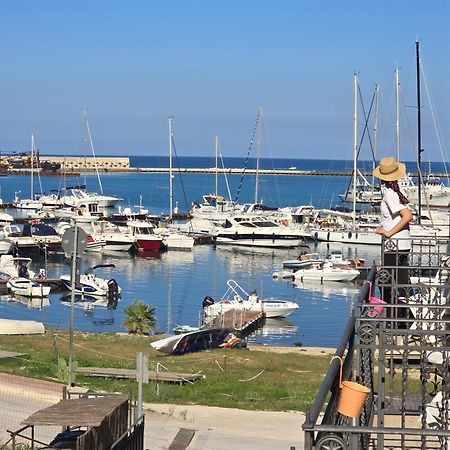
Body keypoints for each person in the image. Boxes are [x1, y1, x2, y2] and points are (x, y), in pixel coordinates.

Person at [373, 156, 413, 324]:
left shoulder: (390, 193)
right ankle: (405, 321)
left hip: (393, 245)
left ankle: (401, 319)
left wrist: (388, 232)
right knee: (403, 284)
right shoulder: (399, 190)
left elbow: (407, 216)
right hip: (403, 244)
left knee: (385, 285)